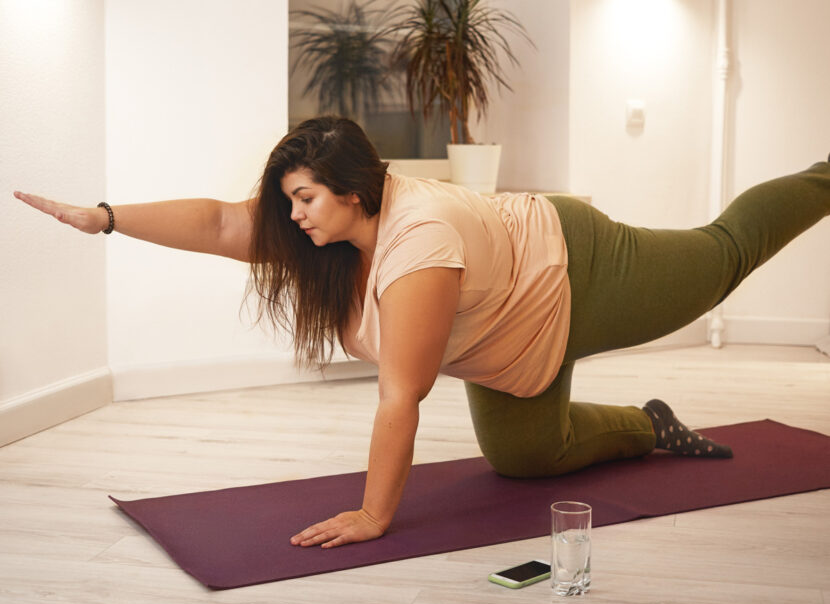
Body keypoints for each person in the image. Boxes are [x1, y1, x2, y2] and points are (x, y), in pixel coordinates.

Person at [14, 116, 830, 550]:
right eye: (290, 199)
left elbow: (401, 395)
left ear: (357, 193)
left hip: (578, 269)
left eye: (305, 198)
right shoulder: (331, 231)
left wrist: (374, 513)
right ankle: (648, 424)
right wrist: (107, 218)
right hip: (508, 334)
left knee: (722, 256)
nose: (291, 217)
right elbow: (228, 220)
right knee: (524, 459)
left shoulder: (420, 244)